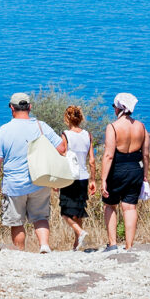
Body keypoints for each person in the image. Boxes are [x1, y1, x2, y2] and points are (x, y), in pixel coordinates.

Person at [0, 92, 64, 253]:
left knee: (16, 221)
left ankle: (20, 253)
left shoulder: (4, 130)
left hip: (14, 184)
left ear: (11, 108)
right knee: (40, 217)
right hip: (39, 180)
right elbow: (62, 148)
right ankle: (44, 245)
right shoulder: (41, 126)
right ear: (30, 107)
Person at [99, 93, 149, 253]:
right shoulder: (141, 126)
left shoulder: (113, 127)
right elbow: (146, 154)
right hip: (136, 170)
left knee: (110, 205)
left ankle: (112, 244)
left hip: (117, 170)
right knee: (129, 207)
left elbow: (109, 155)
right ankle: (129, 246)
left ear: (119, 108)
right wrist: (145, 176)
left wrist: (103, 179)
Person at [56, 105, 97, 251]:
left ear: (67, 118)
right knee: (78, 211)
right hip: (83, 177)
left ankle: (80, 233)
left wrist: (56, 179)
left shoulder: (65, 135)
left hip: (69, 177)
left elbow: (61, 157)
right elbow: (91, 160)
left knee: (65, 212)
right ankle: (76, 244)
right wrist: (93, 180)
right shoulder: (88, 135)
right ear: (81, 118)